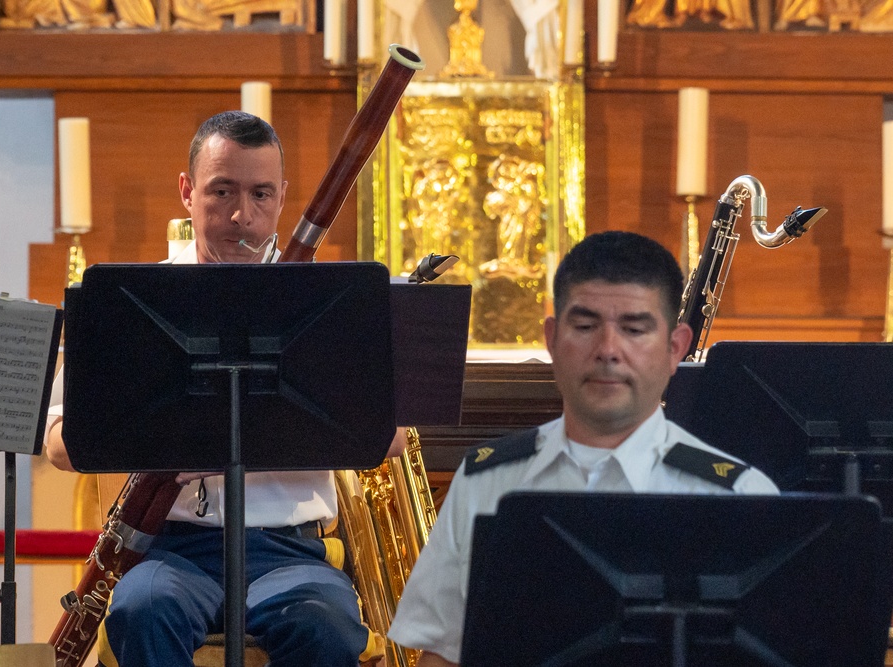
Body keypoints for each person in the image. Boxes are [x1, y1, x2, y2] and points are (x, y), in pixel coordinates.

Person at [45, 110, 403, 666]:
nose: (243, 215)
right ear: (187, 192)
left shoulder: (325, 303)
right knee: (140, 613)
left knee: (327, 628)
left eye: (261, 194)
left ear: (283, 196)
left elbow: (393, 438)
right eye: (221, 191)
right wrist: (167, 442)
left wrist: (262, 431)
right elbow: (60, 443)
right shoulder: (134, 302)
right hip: (173, 550)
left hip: (290, 552)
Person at [386, 230, 780, 667]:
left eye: (634, 329)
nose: (608, 350)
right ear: (552, 339)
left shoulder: (739, 497)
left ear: (675, 349)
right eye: (586, 326)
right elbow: (441, 655)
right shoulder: (488, 482)